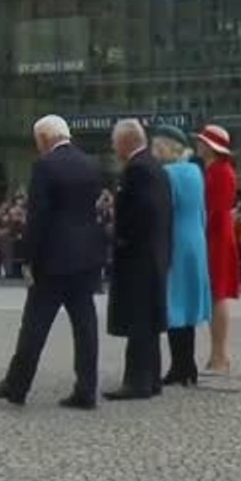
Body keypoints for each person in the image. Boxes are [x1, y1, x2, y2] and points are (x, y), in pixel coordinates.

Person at [0, 115, 104, 410]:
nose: (38, 148)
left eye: (38, 141)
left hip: (53, 259)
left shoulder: (46, 167)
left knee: (34, 325)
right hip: (86, 257)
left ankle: (16, 385)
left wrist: (27, 258)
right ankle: (86, 389)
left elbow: (39, 218)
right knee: (85, 325)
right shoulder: (90, 164)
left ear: (46, 138)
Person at [104, 118, 172, 401]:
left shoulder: (137, 170)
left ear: (125, 142)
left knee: (139, 322)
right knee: (147, 321)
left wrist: (118, 235)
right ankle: (151, 378)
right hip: (153, 254)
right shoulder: (154, 166)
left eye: (114, 141)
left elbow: (141, 214)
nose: (112, 147)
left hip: (138, 256)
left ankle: (137, 382)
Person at [152, 125, 211, 388]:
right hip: (195, 239)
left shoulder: (168, 173)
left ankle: (180, 366)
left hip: (176, 240)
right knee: (187, 304)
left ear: (166, 147)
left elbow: (164, 211)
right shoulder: (195, 171)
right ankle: (188, 366)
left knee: (175, 303)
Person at [195, 124, 240, 375]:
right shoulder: (215, 170)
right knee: (215, 295)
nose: (199, 145)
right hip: (216, 234)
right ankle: (217, 355)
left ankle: (220, 356)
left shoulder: (220, 172)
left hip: (217, 236)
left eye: (202, 141)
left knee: (218, 294)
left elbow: (214, 209)